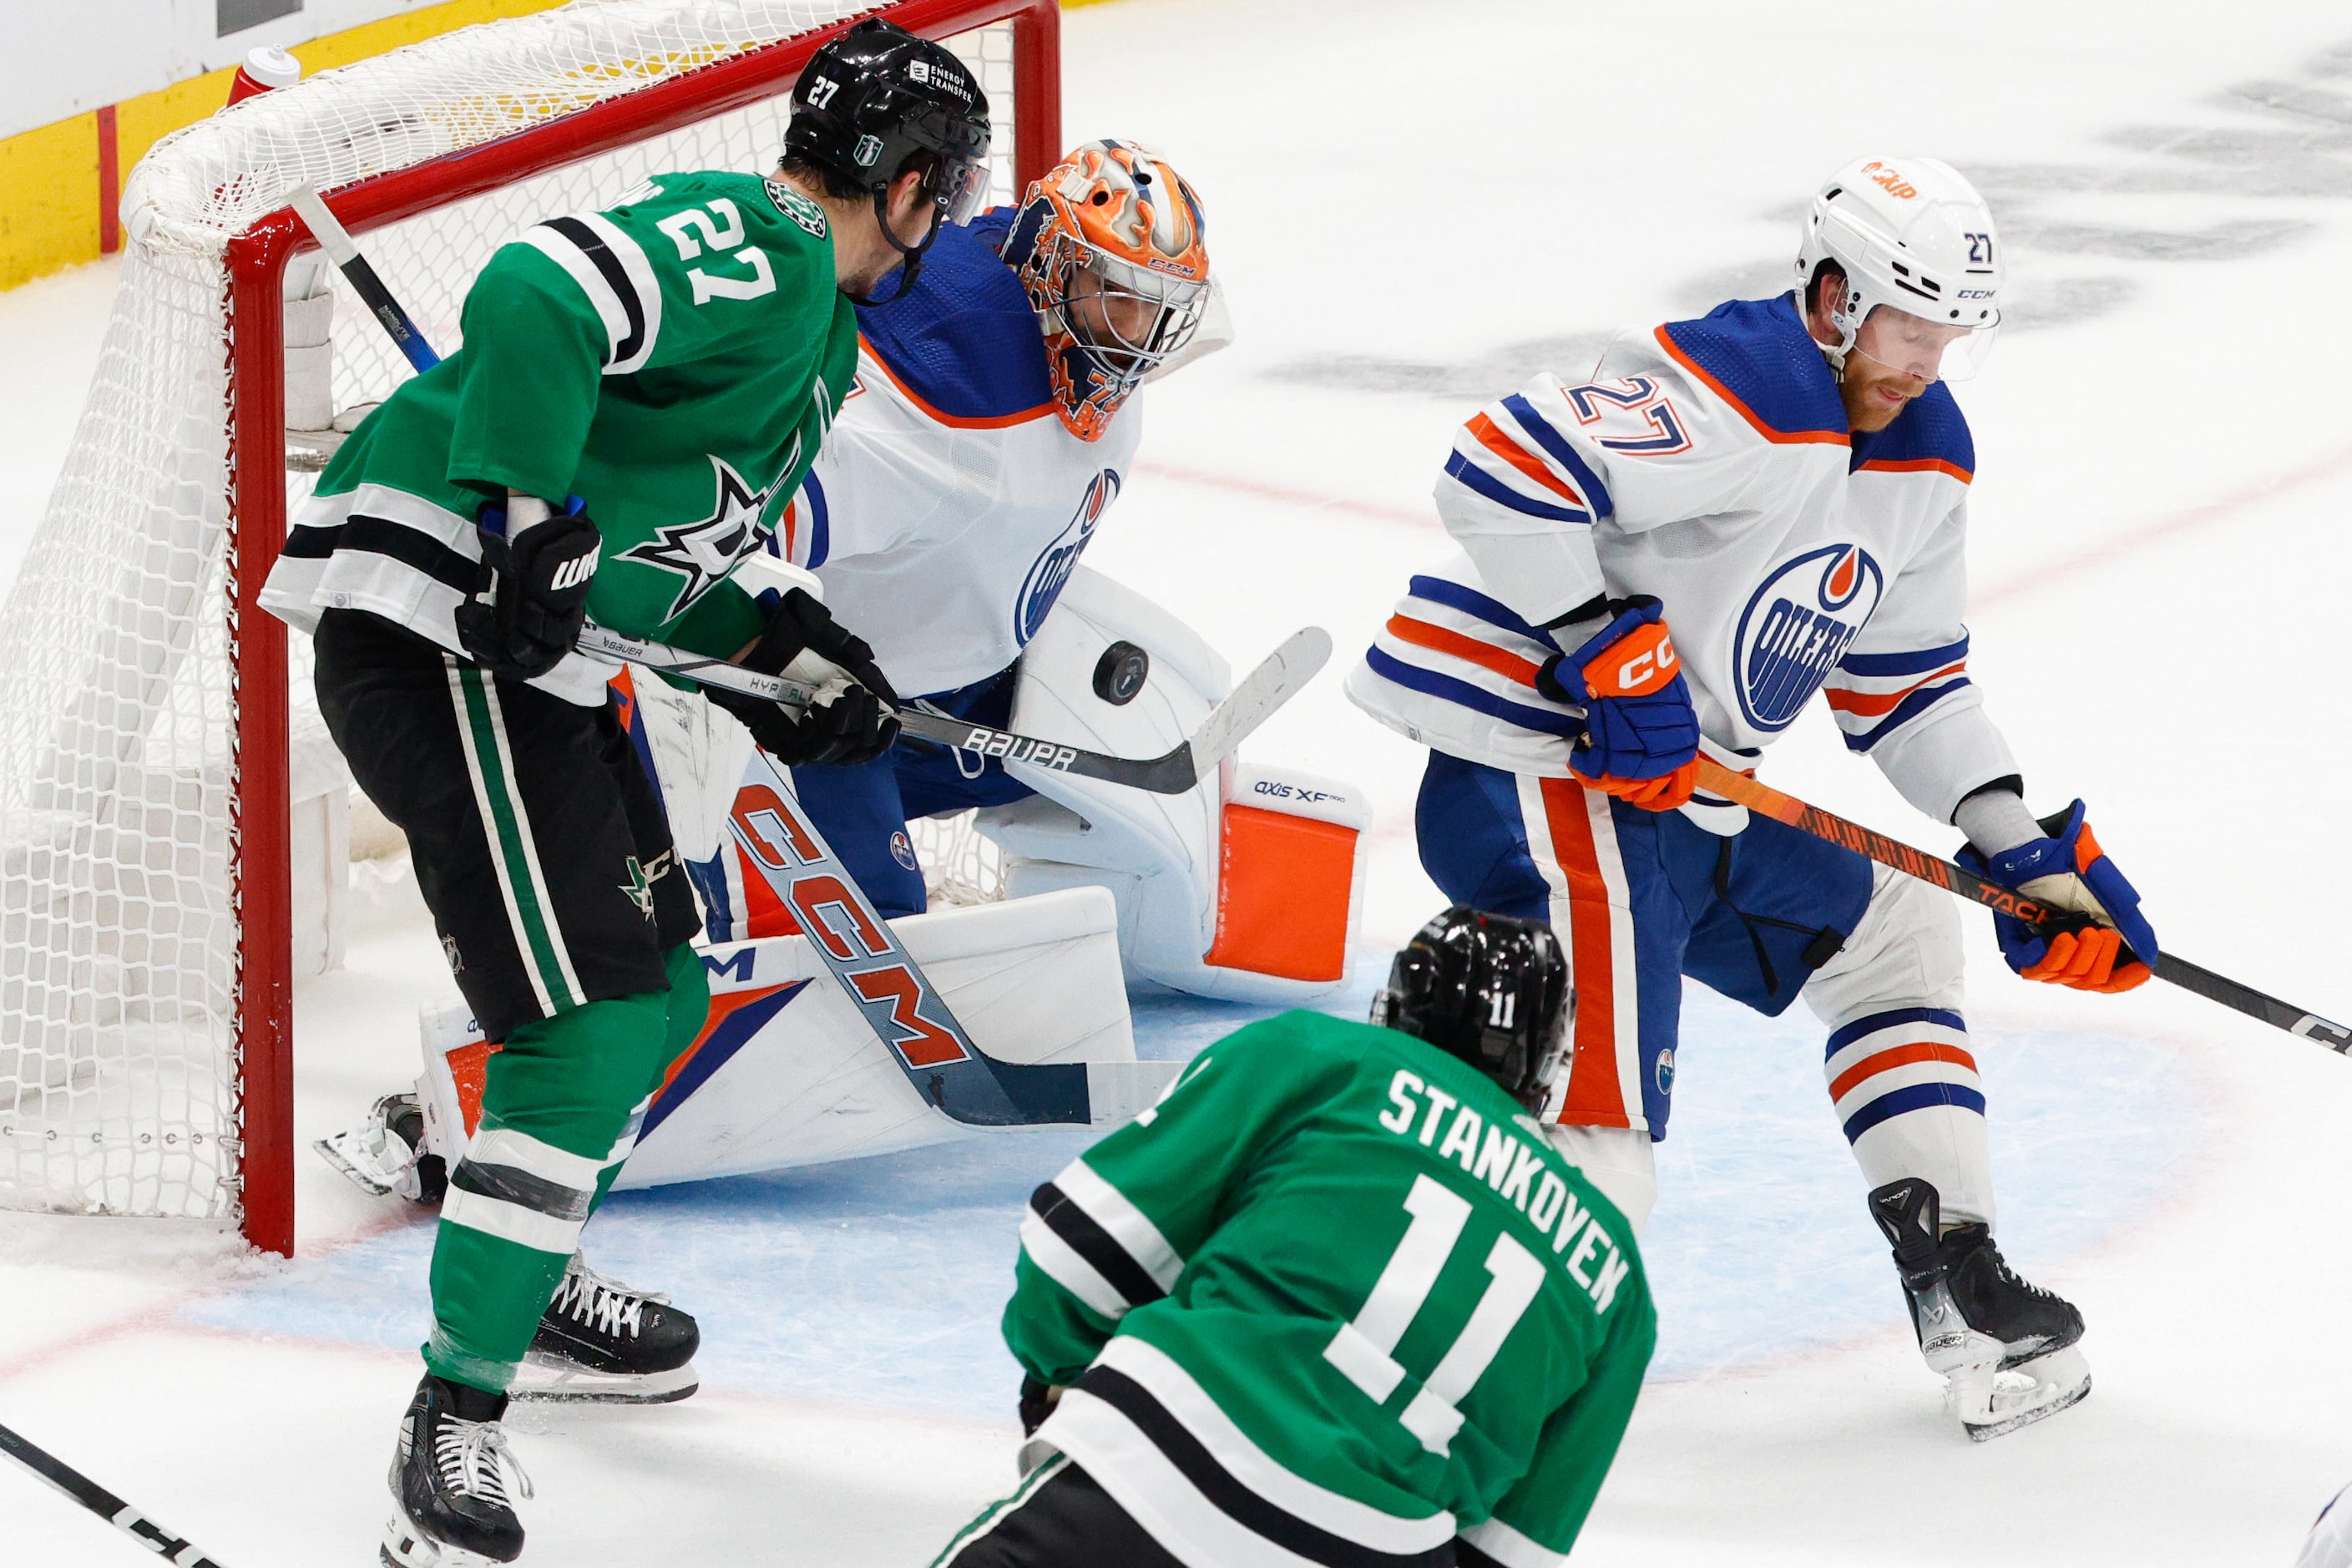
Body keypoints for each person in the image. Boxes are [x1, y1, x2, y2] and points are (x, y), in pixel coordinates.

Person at [256, 19, 989, 1565]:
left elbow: (639, 566)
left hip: (526, 660)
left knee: (656, 995)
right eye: (951, 184)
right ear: (908, 185)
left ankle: (532, 1272)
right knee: (579, 1030)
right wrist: (524, 512)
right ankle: (457, 1406)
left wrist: (778, 652)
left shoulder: (824, 341)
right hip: (435, 642)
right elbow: (536, 291)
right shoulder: (771, 242)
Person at [1346, 155, 2157, 1440]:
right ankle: (1432, 1406)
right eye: (1906, 325)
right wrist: (1605, 639)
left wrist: (2017, 842)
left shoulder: (1924, 456)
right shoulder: (1746, 391)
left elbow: (1904, 683)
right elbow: (1496, 465)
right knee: (1599, 1119)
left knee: (1895, 934)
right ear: (1833, 294)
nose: (1925, 362)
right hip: (1542, 769)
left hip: (1684, 794)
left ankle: (1955, 1273)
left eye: (1951, 335)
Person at [933, 908, 1655, 1568]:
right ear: (1549, 1063)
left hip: (1165, 1464)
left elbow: (1076, 1258)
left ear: (1396, 1007)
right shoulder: (1617, 1277)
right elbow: (1509, 1551)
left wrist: (1062, 1382)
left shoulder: (1324, 1059)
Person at [692, 134, 1216, 926]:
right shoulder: (939, 408)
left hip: (924, 687)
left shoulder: (1059, 316)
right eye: (1116, 295)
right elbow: (716, 547)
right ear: (1049, 265)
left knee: (1107, 754)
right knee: (869, 927)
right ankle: (662, 848)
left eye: (1157, 308)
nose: (1134, 335)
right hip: (788, 698)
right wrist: (788, 675)